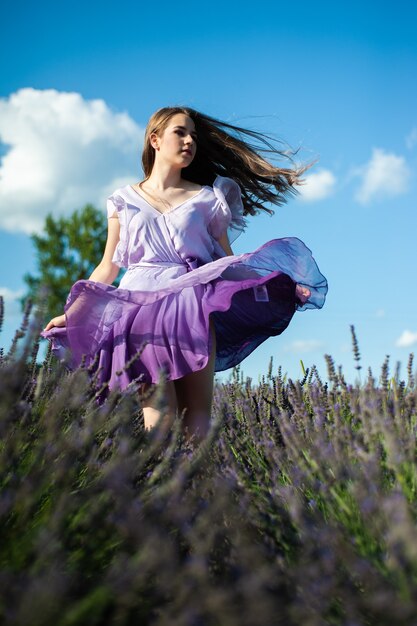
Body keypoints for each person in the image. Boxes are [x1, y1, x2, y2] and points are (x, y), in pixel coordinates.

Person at [42, 106, 328, 442]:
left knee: (197, 423)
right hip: (141, 312)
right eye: (180, 132)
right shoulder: (123, 200)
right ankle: (162, 493)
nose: (190, 140)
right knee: (159, 422)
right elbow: (108, 266)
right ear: (155, 139)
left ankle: (198, 494)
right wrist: (72, 313)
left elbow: (225, 264)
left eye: (193, 134)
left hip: (191, 309)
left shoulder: (207, 199)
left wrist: (278, 286)